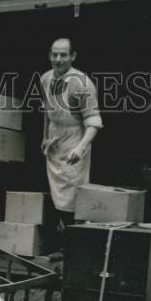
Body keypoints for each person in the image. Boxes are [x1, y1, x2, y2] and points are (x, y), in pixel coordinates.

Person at [40, 37, 104, 225]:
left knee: (73, 194)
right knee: (56, 193)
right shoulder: (45, 78)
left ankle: (72, 244)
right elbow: (47, 110)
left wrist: (81, 147)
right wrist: (44, 136)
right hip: (54, 141)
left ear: (72, 56)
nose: (58, 59)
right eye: (54, 54)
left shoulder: (82, 83)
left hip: (74, 140)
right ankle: (60, 242)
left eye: (63, 55)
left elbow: (93, 122)